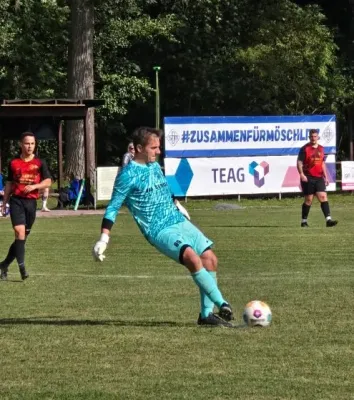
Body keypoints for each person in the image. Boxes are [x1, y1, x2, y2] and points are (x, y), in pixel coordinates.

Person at [92, 127, 234, 327]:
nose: (158, 152)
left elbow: (164, 190)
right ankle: (223, 303)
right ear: (140, 148)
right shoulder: (127, 175)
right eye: (154, 148)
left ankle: (206, 315)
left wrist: (177, 205)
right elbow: (113, 207)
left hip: (177, 220)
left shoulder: (155, 167)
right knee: (191, 257)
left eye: (159, 147)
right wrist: (104, 238)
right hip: (158, 230)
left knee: (210, 258)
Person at [0, 132, 52, 280]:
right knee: (19, 232)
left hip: (31, 203)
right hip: (17, 201)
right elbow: (9, 183)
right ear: (21, 144)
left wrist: (35, 186)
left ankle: (4, 264)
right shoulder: (13, 163)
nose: (30, 146)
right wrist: (4, 203)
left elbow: (48, 181)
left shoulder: (40, 163)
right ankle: (22, 268)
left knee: (21, 239)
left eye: (32, 143)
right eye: (27, 143)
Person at [297, 128, 338, 228]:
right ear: (309, 137)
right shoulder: (304, 149)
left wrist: (326, 177)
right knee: (309, 200)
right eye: (311, 136)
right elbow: (299, 162)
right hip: (308, 177)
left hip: (319, 177)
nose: (313, 138)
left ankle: (328, 220)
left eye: (315, 136)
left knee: (323, 197)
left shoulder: (321, 148)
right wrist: (301, 174)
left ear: (318, 137)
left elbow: (322, 163)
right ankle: (304, 221)